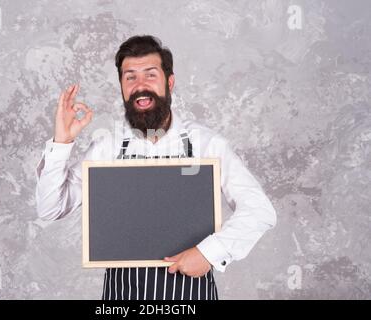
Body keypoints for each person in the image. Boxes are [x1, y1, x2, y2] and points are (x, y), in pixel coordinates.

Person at [35, 35, 277, 300]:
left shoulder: (207, 144)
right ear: (121, 87)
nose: (140, 86)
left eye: (150, 75)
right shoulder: (108, 148)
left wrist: (210, 252)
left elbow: (259, 210)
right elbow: (50, 208)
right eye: (130, 77)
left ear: (169, 82)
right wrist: (62, 141)